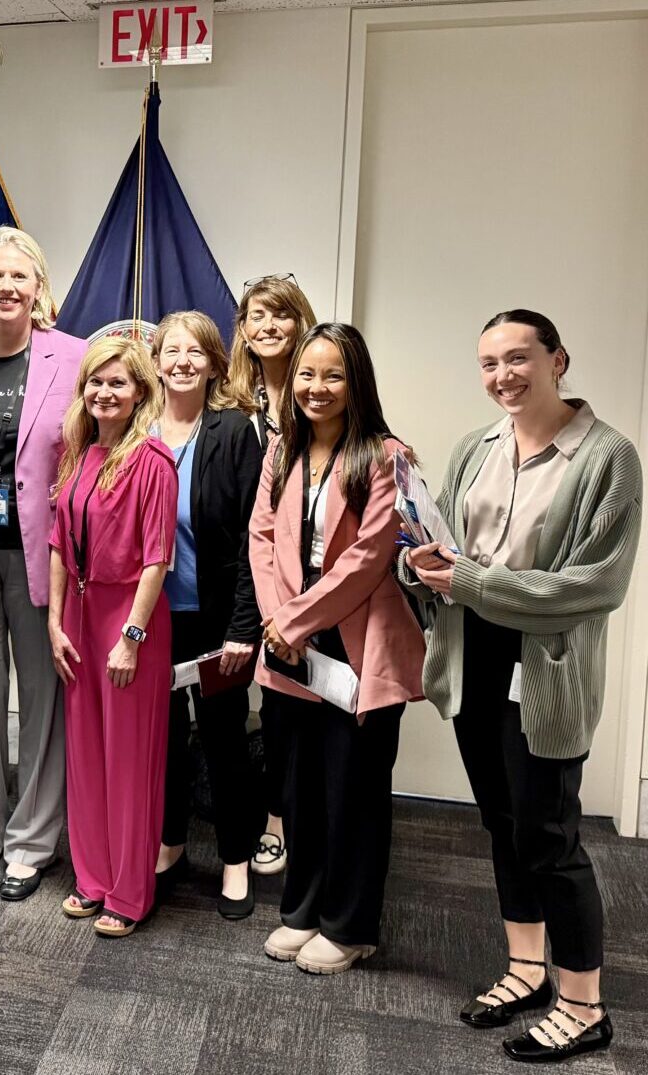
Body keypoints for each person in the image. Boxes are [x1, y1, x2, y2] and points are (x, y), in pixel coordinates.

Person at [400, 310, 640, 1063]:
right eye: (488, 362)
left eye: (517, 358)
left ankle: (584, 1004)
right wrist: (424, 561)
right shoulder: (478, 445)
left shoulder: (608, 457)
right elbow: (453, 543)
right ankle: (528, 968)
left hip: (547, 671)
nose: (502, 375)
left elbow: (593, 586)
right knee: (503, 825)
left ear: (557, 358)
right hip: (477, 660)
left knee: (551, 837)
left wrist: (465, 577)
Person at [248, 322, 424, 975]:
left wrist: (293, 620)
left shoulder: (388, 454)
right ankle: (302, 909)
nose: (316, 388)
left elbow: (369, 557)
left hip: (358, 643)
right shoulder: (281, 450)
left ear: (356, 383)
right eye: (306, 375)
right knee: (298, 787)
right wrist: (276, 620)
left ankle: (350, 926)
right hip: (290, 643)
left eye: (333, 375)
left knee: (352, 787)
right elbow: (260, 539)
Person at [0, 227, 84, 901]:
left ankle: (31, 841)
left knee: (41, 701)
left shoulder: (76, 356)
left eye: (18, 276)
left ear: (39, 287)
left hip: (43, 558)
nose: (6, 287)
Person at [49, 335, 178, 937]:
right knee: (86, 751)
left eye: (118, 382)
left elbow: (157, 558)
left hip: (130, 620)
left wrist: (131, 635)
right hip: (76, 614)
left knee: (127, 759)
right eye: (96, 381)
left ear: (140, 393)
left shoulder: (152, 462)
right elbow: (56, 544)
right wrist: (53, 621)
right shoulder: (77, 453)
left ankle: (128, 893)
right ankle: (92, 877)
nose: (105, 392)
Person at [148, 311, 266, 919]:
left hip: (216, 619)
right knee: (161, 740)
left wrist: (246, 627)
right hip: (151, 620)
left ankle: (236, 858)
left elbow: (255, 540)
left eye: (196, 351)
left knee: (223, 740)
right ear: (157, 360)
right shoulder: (139, 429)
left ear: (215, 361)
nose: (183, 362)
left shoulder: (233, 432)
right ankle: (170, 844)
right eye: (172, 350)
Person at [224, 273, 319, 877]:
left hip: (300, 574)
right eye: (256, 316)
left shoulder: (317, 393)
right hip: (239, 568)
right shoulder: (233, 400)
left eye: (280, 315)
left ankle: (282, 820)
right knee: (231, 702)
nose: (268, 327)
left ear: (300, 322)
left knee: (288, 706)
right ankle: (236, 811)